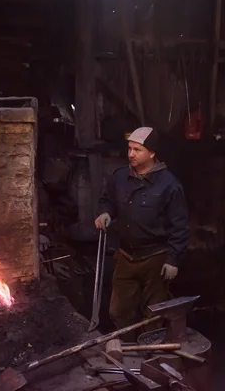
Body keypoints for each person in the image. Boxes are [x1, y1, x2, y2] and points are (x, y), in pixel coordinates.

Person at [95, 127, 189, 337]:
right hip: (125, 256)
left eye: (137, 150)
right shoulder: (120, 177)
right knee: (118, 311)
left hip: (155, 258)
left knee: (154, 313)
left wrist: (173, 259)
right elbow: (107, 200)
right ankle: (126, 351)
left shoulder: (169, 185)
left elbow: (180, 226)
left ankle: (152, 355)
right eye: (129, 149)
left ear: (152, 153)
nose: (131, 154)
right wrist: (105, 213)